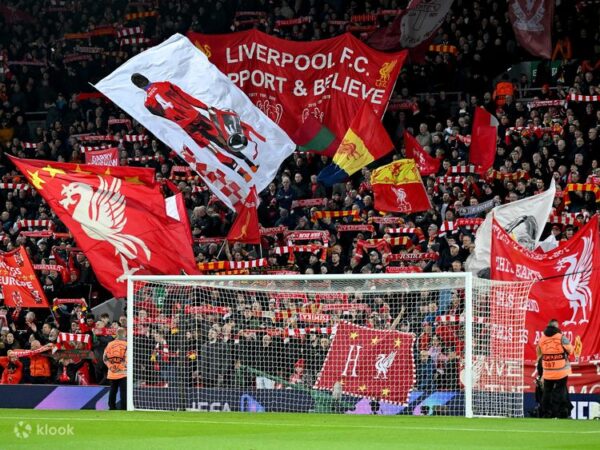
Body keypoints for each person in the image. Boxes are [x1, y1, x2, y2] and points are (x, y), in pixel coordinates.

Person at [131, 73, 263, 181]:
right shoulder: (165, 84)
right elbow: (187, 98)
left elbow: (165, 119)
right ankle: (250, 165)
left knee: (212, 149)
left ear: (138, 86)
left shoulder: (148, 103)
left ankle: (243, 175)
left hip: (187, 127)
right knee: (222, 140)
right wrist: (205, 107)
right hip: (196, 116)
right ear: (146, 78)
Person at [536, 319, 574, 418]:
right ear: (556, 327)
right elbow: (570, 350)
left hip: (548, 370)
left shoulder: (542, 339)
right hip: (561, 370)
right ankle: (558, 412)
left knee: (547, 392)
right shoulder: (561, 337)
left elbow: (539, 353)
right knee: (560, 391)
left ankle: (546, 413)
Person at [103, 327, 127, 410]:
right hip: (123, 372)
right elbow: (127, 359)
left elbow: (104, 358)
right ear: (125, 334)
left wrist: (111, 367)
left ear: (116, 334)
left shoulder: (110, 344)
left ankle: (111, 407)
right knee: (123, 391)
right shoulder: (126, 344)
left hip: (112, 372)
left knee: (113, 390)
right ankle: (124, 408)